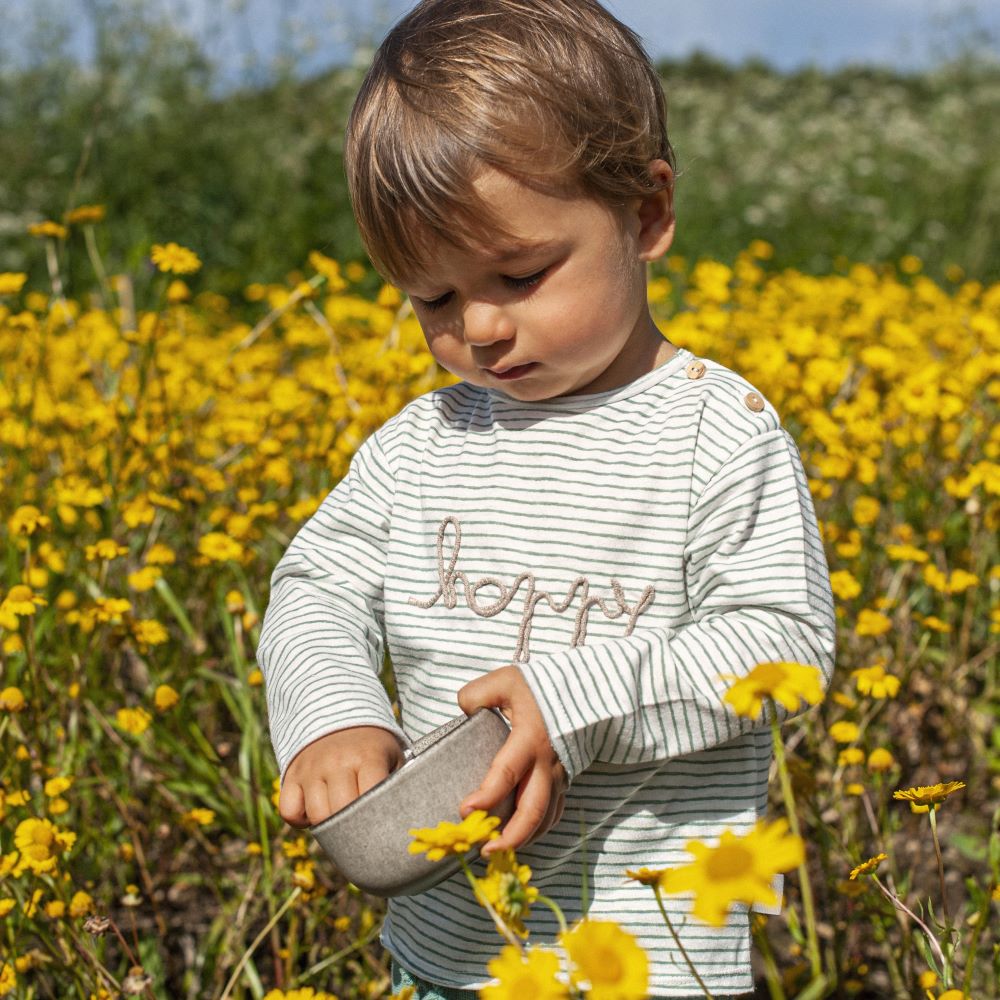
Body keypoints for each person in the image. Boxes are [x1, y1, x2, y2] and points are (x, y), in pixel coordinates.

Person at [256, 1, 836, 996]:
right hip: (449, 954)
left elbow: (782, 644)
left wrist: (572, 704)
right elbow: (315, 585)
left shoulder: (716, 430)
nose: (477, 327)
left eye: (520, 274)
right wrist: (334, 716)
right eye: (432, 298)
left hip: (654, 961)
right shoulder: (420, 446)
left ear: (646, 214)